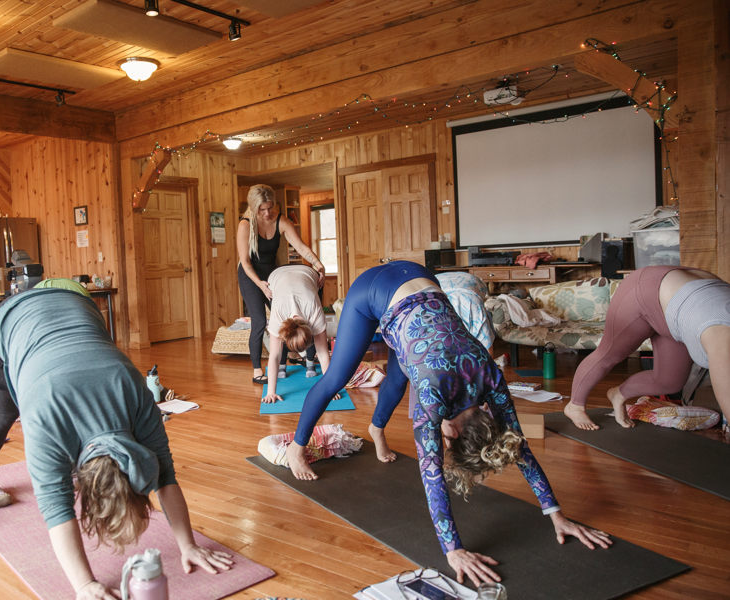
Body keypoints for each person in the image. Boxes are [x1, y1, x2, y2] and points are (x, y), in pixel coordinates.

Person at [286, 261, 611, 585]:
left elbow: (518, 447)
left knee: (398, 380)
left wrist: (557, 514)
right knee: (336, 379)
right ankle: (297, 449)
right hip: (372, 288)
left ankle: (377, 428)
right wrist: (452, 549)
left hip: (421, 277)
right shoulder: (433, 395)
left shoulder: (490, 375)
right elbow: (432, 476)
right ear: (452, 431)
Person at [0, 287, 231, 600]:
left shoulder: (135, 393)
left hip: (77, 306)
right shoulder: (43, 422)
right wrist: (84, 585)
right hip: (10, 319)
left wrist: (188, 545)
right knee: (3, 412)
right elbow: (56, 508)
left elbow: (165, 477)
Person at [565, 266, 730, 431]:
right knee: (608, 355)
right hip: (647, 289)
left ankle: (618, 394)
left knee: (669, 382)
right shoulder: (723, 341)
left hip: (685, 301)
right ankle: (575, 406)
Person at [237, 184, 326, 384]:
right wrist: (260, 284)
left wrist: (318, 264)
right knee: (259, 322)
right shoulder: (245, 225)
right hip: (250, 276)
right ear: (254, 207)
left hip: (272, 274)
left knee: (286, 317)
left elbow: (301, 247)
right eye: (262, 209)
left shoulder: (281, 221)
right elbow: (245, 261)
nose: (268, 213)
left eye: (270, 207)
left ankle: (292, 355)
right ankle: (257, 370)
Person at [262, 264, 338, 403]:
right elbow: (275, 355)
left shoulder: (315, 313)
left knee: (315, 290)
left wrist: (330, 389)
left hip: (307, 272)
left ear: (311, 329)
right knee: (276, 350)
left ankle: (308, 362)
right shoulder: (278, 316)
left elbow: (322, 353)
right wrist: (271, 392)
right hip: (277, 276)